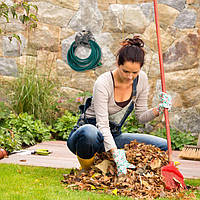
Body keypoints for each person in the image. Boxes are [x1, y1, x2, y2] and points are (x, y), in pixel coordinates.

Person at [67, 36, 172, 176]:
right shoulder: (103, 83)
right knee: (89, 133)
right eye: (126, 71)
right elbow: (102, 125)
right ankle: (87, 171)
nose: (130, 77)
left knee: (164, 145)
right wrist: (116, 154)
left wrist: (159, 109)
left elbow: (141, 117)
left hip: (113, 136)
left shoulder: (141, 80)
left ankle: (123, 170)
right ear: (118, 63)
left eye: (135, 72)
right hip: (87, 137)